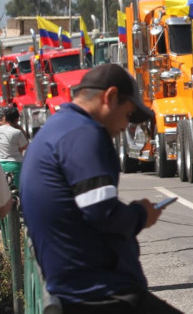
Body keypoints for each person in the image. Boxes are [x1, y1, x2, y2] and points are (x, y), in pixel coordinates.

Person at [20, 64, 182, 314]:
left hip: (78, 289)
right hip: (101, 293)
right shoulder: (84, 133)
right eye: (127, 115)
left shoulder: (59, 127)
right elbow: (102, 211)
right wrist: (141, 214)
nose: (124, 127)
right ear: (110, 97)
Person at [0, 106, 28, 189]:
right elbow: (25, 146)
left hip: (1, 164)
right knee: (16, 190)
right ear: (16, 119)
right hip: (15, 164)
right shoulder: (17, 132)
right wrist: (19, 127)